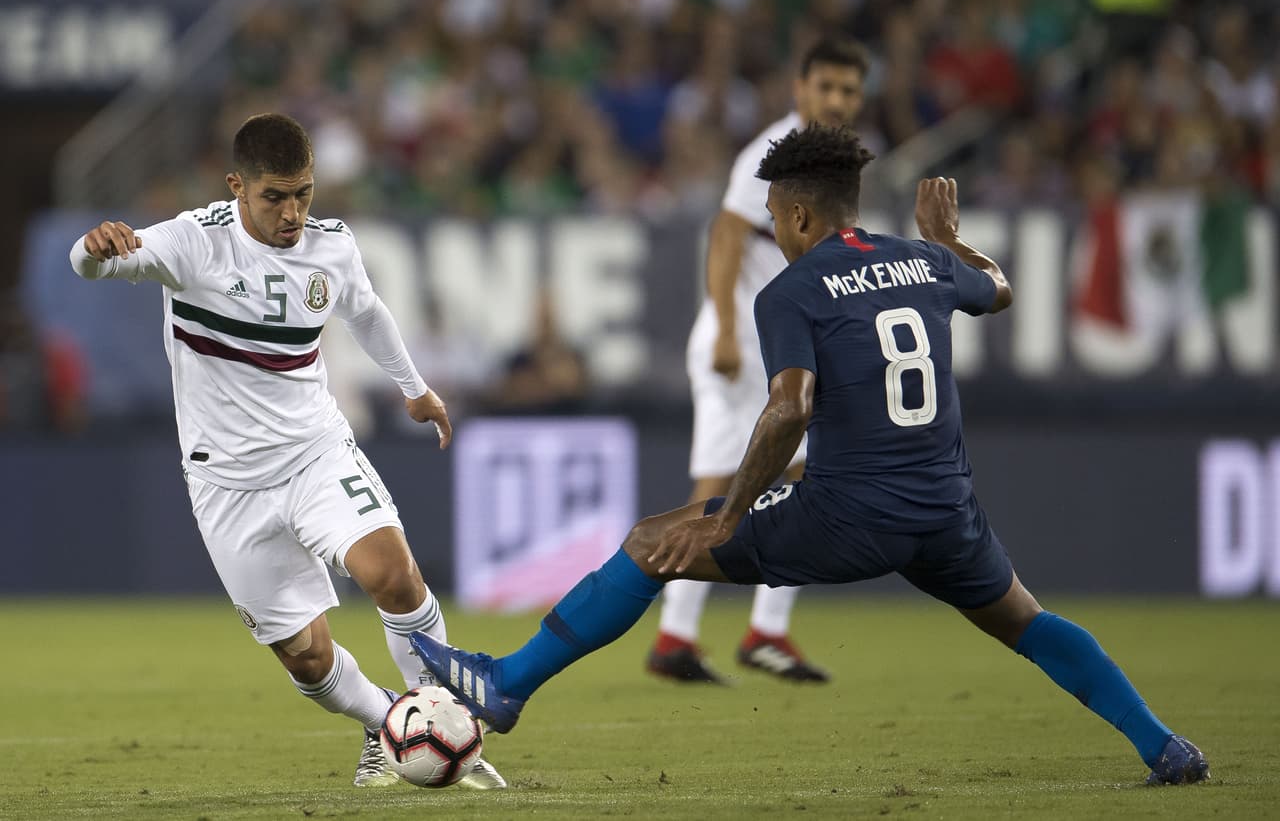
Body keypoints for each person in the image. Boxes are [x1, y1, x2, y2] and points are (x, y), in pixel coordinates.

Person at [409, 125, 1210, 786]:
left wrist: (730, 510)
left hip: (849, 514)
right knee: (1026, 622)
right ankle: (1165, 746)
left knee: (656, 541)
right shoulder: (926, 262)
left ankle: (506, 685)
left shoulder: (791, 292)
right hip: (946, 511)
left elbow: (789, 404)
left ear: (795, 218)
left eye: (770, 215)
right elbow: (998, 288)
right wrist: (951, 239)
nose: (771, 228)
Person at [68, 112, 506, 791]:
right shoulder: (192, 242)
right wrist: (95, 248)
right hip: (227, 483)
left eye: (303, 192)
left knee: (393, 573)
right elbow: (90, 264)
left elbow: (365, 310)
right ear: (237, 186)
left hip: (314, 452)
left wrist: (414, 388)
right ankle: (386, 720)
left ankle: (444, 724)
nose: (292, 211)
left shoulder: (331, 246)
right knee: (305, 656)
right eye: (275, 195)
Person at [648, 36, 869, 686]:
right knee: (721, 490)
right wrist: (722, 326)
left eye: (848, 90)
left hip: (775, 346)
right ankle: (681, 634)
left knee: (801, 478)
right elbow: (724, 233)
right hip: (740, 346)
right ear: (799, 89)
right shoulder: (772, 154)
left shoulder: (828, 161)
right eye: (825, 86)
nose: (836, 99)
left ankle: (744, 630)